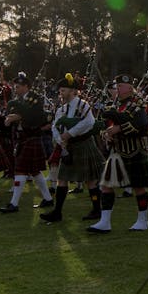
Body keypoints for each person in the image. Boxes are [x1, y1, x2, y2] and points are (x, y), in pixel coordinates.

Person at [89, 75, 148, 233]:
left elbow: (141, 124)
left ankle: (142, 220)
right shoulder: (115, 103)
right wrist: (106, 132)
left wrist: (119, 129)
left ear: (130, 87)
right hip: (117, 150)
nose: (118, 88)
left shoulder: (138, 103)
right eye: (117, 85)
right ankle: (105, 222)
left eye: (122, 85)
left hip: (135, 150)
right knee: (106, 186)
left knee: (138, 187)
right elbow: (107, 122)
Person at [40, 72, 103, 223]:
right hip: (68, 147)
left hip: (83, 144)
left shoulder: (83, 105)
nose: (61, 92)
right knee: (62, 179)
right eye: (60, 90)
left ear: (73, 91)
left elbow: (89, 123)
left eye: (64, 90)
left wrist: (69, 134)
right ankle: (57, 212)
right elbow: (55, 126)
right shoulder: (61, 109)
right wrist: (61, 142)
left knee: (90, 181)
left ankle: (96, 209)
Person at [0, 72, 54, 213]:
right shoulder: (19, 100)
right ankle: (48, 199)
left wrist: (15, 116)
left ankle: (14, 204)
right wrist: (11, 117)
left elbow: (34, 116)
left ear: (26, 87)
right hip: (22, 138)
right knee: (35, 172)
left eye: (17, 87)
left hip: (31, 137)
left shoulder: (35, 99)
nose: (15, 89)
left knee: (20, 170)